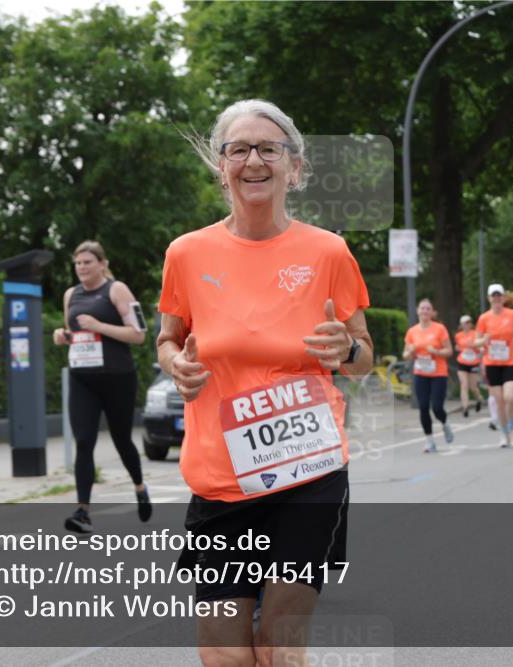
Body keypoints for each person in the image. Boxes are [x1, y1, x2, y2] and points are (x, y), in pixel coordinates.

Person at [160, 99, 373, 667]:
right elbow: (168, 338)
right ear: (220, 166)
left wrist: (347, 350)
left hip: (308, 472)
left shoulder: (328, 251)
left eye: (268, 149)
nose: (253, 160)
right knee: (225, 655)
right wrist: (173, 364)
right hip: (221, 480)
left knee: (278, 646)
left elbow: (364, 355)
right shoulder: (186, 254)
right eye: (237, 149)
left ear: (294, 167)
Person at [52, 240, 151, 532]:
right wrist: (63, 336)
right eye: (78, 263)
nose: (82, 268)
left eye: (87, 262)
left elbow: (139, 335)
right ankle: (83, 511)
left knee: (122, 440)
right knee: (84, 441)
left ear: (102, 264)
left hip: (118, 378)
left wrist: (99, 326)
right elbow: (72, 332)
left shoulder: (116, 290)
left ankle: (140, 486)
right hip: (83, 378)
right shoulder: (71, 294)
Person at [475, 283, 513, 447]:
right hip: (492, 363)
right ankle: (504, 434)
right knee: (499, 401)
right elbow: (476, 340)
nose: (496, 299)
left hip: (511, 361)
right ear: (489, 298)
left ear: (503, 298)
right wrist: (483, 340)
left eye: (499, 296)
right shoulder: (484, 318)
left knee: (510, 397)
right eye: (493, 296)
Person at [404, 298, 455, 453]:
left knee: (437, 407)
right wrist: (411, 351)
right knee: (423, 407)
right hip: (421, 373)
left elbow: (449, 351)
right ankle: (429, 440)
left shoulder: (439, 329)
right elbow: (405, 354)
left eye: (428, 309)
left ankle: (445, 424)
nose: (425, 311)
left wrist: (437, 352)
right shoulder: (412, 331)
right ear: (417, 311)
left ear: (432, 312)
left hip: (438, 372)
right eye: (422, 308)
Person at [454, 314, 484, 417]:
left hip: (473, 362)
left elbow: (481, 347)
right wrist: (458, 348)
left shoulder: (475, 334)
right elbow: (457, 346)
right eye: (465, 323)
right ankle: (465, 408)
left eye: (469, 322)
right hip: (462, 362)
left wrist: (479, 355)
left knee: (473, 387)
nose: (467, 324)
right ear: (461, 325)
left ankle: (479, 399)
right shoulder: (458, 335)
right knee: (464, 385)